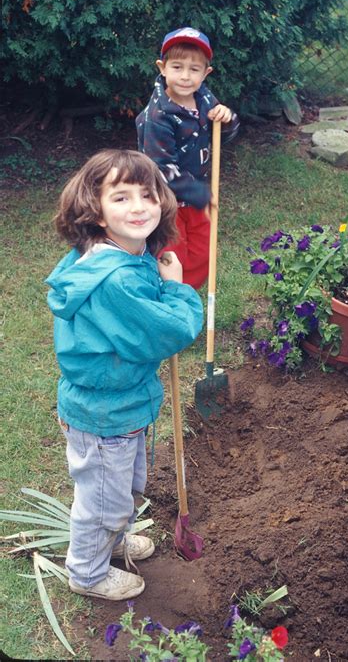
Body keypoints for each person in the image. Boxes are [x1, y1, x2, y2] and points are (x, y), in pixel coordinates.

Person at [46, 149, 203, 601]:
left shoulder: (112, 254)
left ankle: (113, 538)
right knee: (102, 503)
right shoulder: (115, 280)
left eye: (147, 194)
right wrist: (175, 288)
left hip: (121, 401)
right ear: (94, 209)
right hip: (105, 413)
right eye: (120, 197)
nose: (138, 206)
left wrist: (155, 273)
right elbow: (168, 331)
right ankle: (88, 572)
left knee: (125, 486)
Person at [136, 27, 239, 289]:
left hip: (196, 195)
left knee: (204, 250)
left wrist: (226, 120)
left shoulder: (204, 98)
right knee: (171, 256)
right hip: (165, 201)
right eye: (177, 67)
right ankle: (169, 299)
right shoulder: (158, 117)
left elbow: (223, 136)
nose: (185, 76)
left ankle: (186, 296)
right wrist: (202, 195)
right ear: (162, 67)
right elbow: (161, 169)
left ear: (206, 73)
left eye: (194, 69)